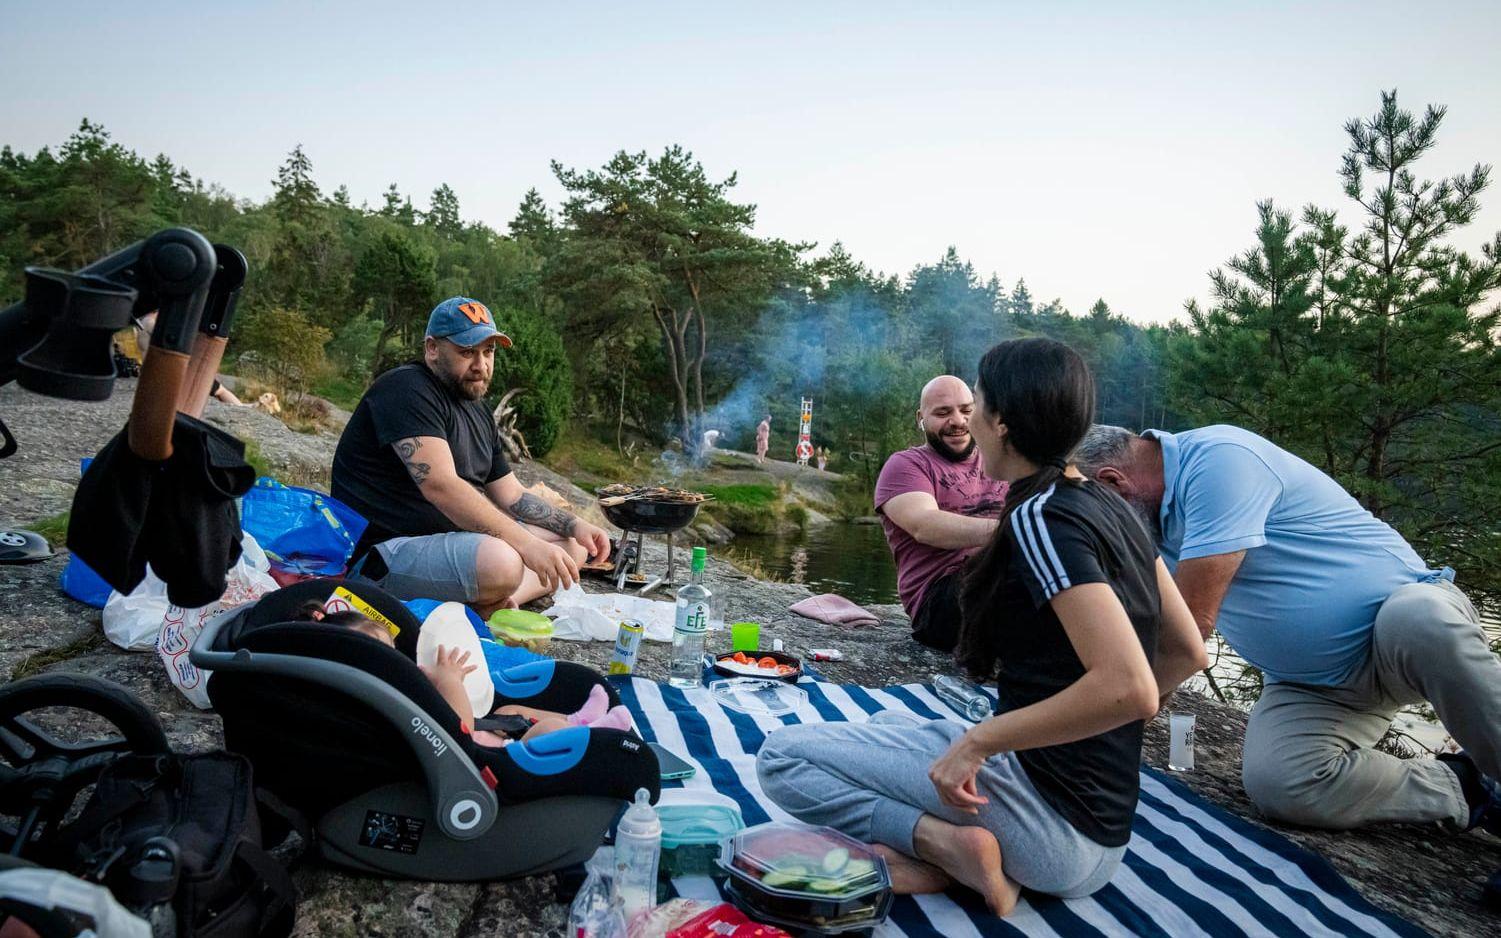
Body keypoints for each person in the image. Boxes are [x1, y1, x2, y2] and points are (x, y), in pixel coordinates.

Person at [758, 338, 1208, 915]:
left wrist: (980, 742)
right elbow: (1188, 651)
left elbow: (1129, 689)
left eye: (974, 404)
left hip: (1045, 827)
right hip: (1106, 835)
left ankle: (947, 847)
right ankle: (956, 855)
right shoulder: (1111, 504)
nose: (965, 418)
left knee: (783, 757)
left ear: (998, 420)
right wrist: (1089, 735)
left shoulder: (1040, 519)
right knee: (898, 725)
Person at [1072, 424, 1501, 839]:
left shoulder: (1220, 460)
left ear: (1113, 482)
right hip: (1312, 687)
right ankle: (1467, 787)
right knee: (1280, 783)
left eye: (1096, 516)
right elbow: (1129, 633)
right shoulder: (1148, 526)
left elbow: (1188, 629)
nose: (1102, 531)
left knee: (1421, 620)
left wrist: (1106, 732)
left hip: (1395, 631)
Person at [332, 297, 611, 616]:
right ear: (433, 348)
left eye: (488, 351)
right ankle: (492, 596)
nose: (481, 365)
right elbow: (441, 486)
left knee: (574, 545)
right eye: (467, 352)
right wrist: (526, 544)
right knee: (502, 560)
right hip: (383, 555)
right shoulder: (406, 388)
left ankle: (505, 601)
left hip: (451, 545)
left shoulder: (478, 413)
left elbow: (513, 495)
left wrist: (575, 524)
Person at [292, 601, 632, 743]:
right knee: (542, 733)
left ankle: (579, 719)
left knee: (510, 711)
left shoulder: (399, 678)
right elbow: (460, 730)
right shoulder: (382, 698)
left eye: (390, 649)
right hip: (476, 757)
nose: (394, 659)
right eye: (382, 655)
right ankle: (595, 734)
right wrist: (451, 681)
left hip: (485, 732)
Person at [874, 375, 1007, 651]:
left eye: (967, 410)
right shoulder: (906, 465)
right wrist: (1016, 530)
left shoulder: (1002, 458)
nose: (958, 421)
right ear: (920, 418)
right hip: (940, 599)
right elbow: (926, 526)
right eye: (943, 412)